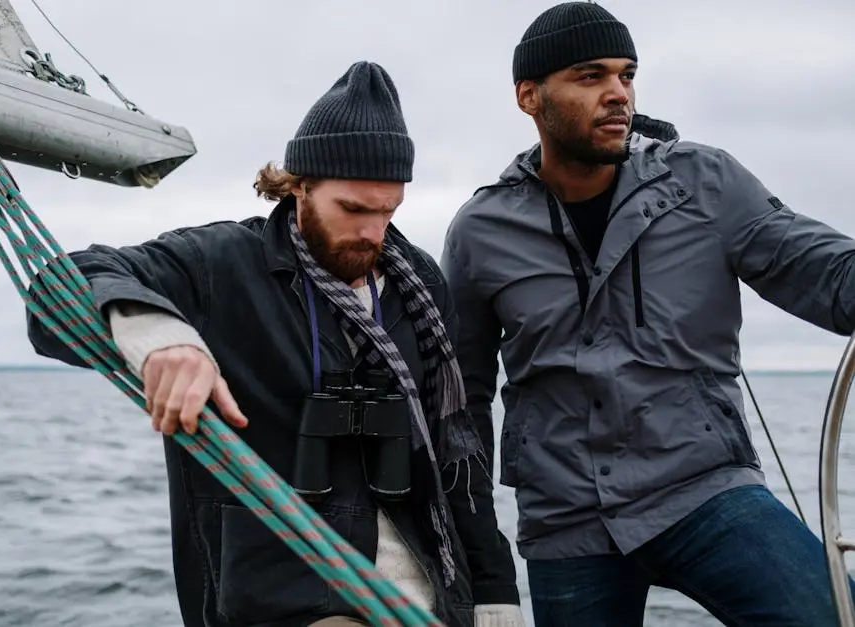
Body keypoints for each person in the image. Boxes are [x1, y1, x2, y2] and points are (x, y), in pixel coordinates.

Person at [26, 61, 523, 627]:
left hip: (430, 590)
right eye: (353, 210)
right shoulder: (221, 264)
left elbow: (459, 451)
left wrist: (495, 587)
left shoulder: (420, 285)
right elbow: (60, 286)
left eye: (388, 211)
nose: (372, 233)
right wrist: (161, 335)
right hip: (285, 595)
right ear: (299, 186)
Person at [440, 3, 855, 626]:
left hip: (705, 488)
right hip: (566, 521)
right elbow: (458, 401)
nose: (617, 94)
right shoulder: (481, 230)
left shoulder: (705, 182)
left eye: (626, 75)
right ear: (529, 96)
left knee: (834, 615)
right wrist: (482, 555)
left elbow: (819, 271)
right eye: (590, 76)